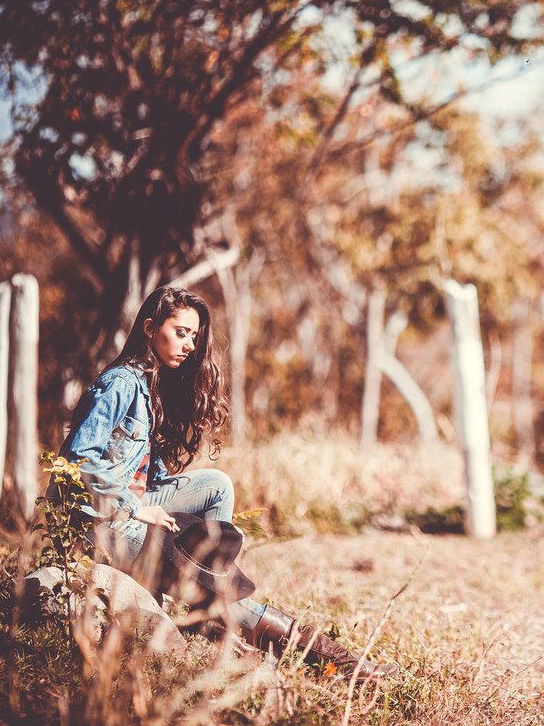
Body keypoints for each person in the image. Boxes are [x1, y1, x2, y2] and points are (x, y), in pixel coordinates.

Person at [56, 286, 396, 679]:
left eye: (193, 337)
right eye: (180, 332)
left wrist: (157, 496)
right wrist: (137, 508)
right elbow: (76, 459)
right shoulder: (120, 382)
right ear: (150, 328)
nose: (188, 344)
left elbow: (141, 469)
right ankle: (337, 662)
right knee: (210, 586)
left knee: (216, 484)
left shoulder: (150, 385)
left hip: (128, 506)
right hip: (100, 523)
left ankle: (211, 596)